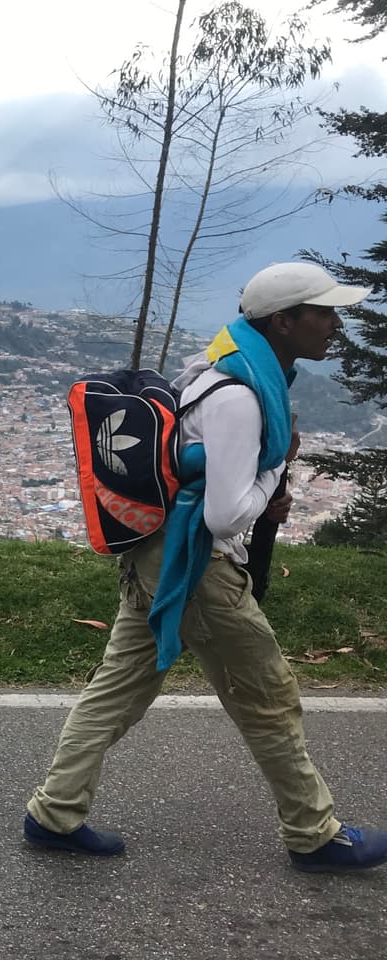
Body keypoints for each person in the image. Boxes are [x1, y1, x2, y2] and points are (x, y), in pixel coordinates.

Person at [24, 262, 387, 873]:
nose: (334, 324)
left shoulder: (220, 366)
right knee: (268, 697)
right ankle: (315, 835)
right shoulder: (242, 398)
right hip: (195, 564)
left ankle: (52, 814)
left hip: (154, 553)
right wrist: (275, 472)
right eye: (322, 312)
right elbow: (225, 515)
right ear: (283, 321)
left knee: (117, 689)